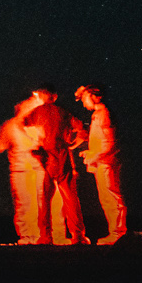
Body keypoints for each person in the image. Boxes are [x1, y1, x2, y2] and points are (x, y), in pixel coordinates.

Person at [23, 84, 88, 247]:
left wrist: (34, 145)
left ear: (48, 96)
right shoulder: (64, 112)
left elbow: (22, 126)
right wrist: (72, 144)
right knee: (70, 197)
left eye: (41, 94)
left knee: (44, 198)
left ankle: (45, 236)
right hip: (62, 155)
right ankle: (78, 236)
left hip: (45, 156)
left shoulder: (36, 112)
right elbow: (83, 130)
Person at [0, 96, 49, 244]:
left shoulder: (38, 126)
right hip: (20, 171)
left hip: (38, 170)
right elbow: (2, 145)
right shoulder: (10, 126)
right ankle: (27, 236)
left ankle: (42, 236)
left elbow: (47, 146)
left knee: (42, 204)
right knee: (24, 204)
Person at [75, 86, 126, 245]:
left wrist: (94, 155)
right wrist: (90, 153)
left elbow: (110, 144)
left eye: (84, 99)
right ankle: (115, 233)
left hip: (107, 163)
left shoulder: (104, 115)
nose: (83, 103)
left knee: (111, 197)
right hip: (102, 162)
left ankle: (118, 234)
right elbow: (103, 142)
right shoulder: (98, 115)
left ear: (92, 96)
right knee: (107, 198)